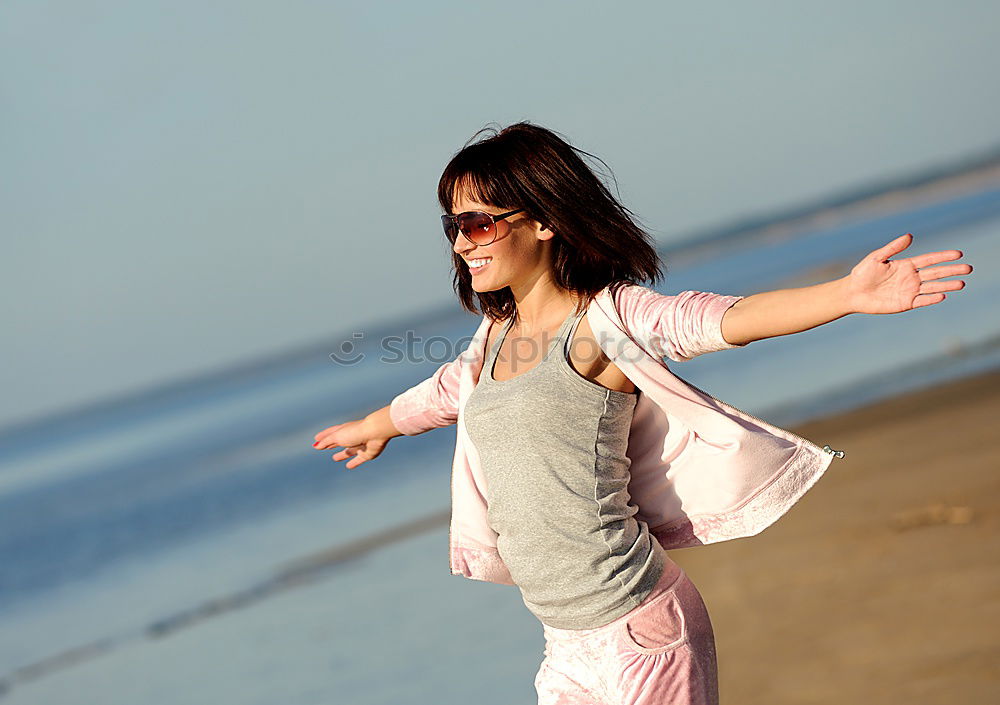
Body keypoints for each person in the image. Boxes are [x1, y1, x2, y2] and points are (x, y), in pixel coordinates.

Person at [312, 122, 972, 704]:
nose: (463, 243)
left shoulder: (606, 320)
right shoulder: (491, 340)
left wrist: (847, 294)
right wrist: (376, 426)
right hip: (564, 645)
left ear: (544, 220)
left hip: (642, 631)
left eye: (479, 222)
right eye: (453, 226)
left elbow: (721, 320)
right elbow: (445, 392)